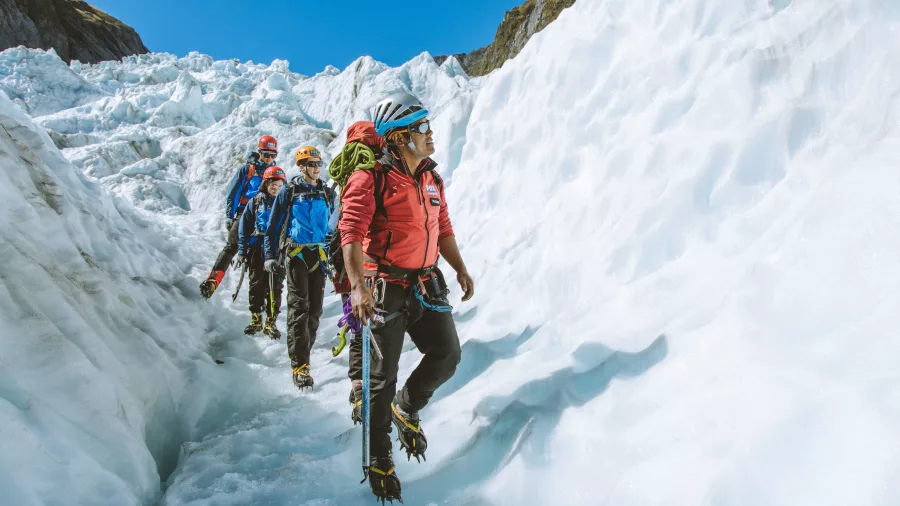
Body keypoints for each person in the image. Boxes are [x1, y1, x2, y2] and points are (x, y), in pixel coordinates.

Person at [339, 92, 475, 502]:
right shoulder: (371, 178)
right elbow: (351, 233)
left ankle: (407, 406)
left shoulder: (432, 177)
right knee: (380, 380)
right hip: (386, 290)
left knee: (447, 355)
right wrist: (358, 286)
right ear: (399, 137)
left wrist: (460, 267)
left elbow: (444, 226)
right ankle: (381, 459)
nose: (430, 133)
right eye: (421, 127)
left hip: (426, 283)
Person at [264, 146, 336, 390]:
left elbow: (332, 228)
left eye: (318, 163)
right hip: (296, 255)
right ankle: (300, 364)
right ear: (302, 166)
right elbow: (273, 226)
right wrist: (270, 255)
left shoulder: (326, 193)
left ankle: (304, 350)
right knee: (299, 307)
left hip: (319, 254)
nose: (317, 168)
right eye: (311, 164)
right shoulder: (290, 191)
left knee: (315, 310)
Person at [200, 135, 278, 299]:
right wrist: (230, 215)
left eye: (272, 155)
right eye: (266, 154)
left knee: (261, 253)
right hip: (244, 213)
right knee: (232, 245)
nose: (269, 159)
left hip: (265, 216)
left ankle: (261, 297)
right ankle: (213, 281)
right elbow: (233, 193)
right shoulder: (247, 170)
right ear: (259, 152)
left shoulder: (274, 173)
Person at [235, 166, 287, 337]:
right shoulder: (256, 201)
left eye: (279, 185)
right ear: (265, 184)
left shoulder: (285, 203)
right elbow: (244, 227)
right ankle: (256, 317)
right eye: (273, 184)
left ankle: (271, 321)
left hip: (277, 249)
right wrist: (242, 251)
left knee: (275, 286)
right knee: (256, 283)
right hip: (257, 248)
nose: (276, 188)